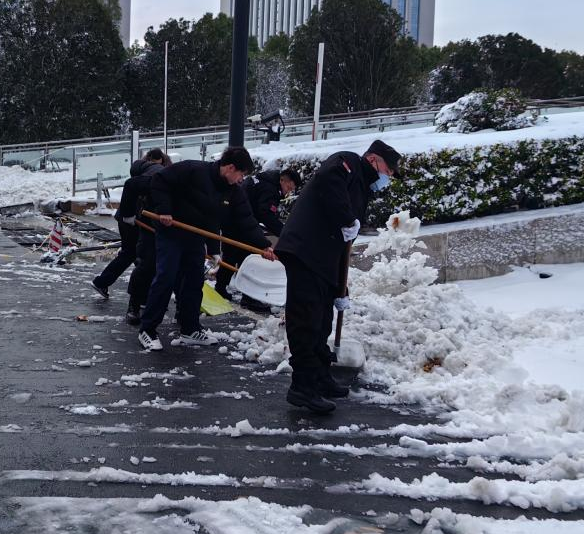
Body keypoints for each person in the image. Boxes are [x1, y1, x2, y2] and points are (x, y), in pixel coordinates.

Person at [275, 139, 402, 414]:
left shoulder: (362, 187)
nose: (387, 178)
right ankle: (302, 387)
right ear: (373, 160)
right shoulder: (347, 163)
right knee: (306, 319)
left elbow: (345, 238)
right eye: (388, 171)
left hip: (322, 258)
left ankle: (320, 377)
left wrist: (339, 289)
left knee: (322, 320)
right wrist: (347, 219)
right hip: (304, 250)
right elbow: (328, 183)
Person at [137, 147, 276, 352]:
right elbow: (159, 181)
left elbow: (246, 220)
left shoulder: (234, 191)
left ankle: (190, 328)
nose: (241, 179)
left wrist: (263, 246)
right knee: (167, 276)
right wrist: (164, 209)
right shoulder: (193, 170)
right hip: (172, 230)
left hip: (195, 235)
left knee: (194, 280)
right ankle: (147, 329)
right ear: (230, 168)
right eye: (241, 174)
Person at [91, 149, 168, 301]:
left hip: (134, 217)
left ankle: (104, 282)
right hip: (131, 219)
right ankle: (106, 283)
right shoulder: (158, 175)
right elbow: (133, 188)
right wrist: (128, 216)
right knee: (133, 253)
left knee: (136, 254)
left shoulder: (149, 170)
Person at [214, 167, 301, 301]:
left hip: (233, 222)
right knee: (248, 259)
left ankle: (221, 288)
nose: (289, 190)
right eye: (289, 186)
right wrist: (283, 232)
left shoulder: (264, 180)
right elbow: (265, 213)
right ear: (283, 179)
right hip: (242, 224)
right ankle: (249, 298)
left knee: (231, 255)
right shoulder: (270, 189)